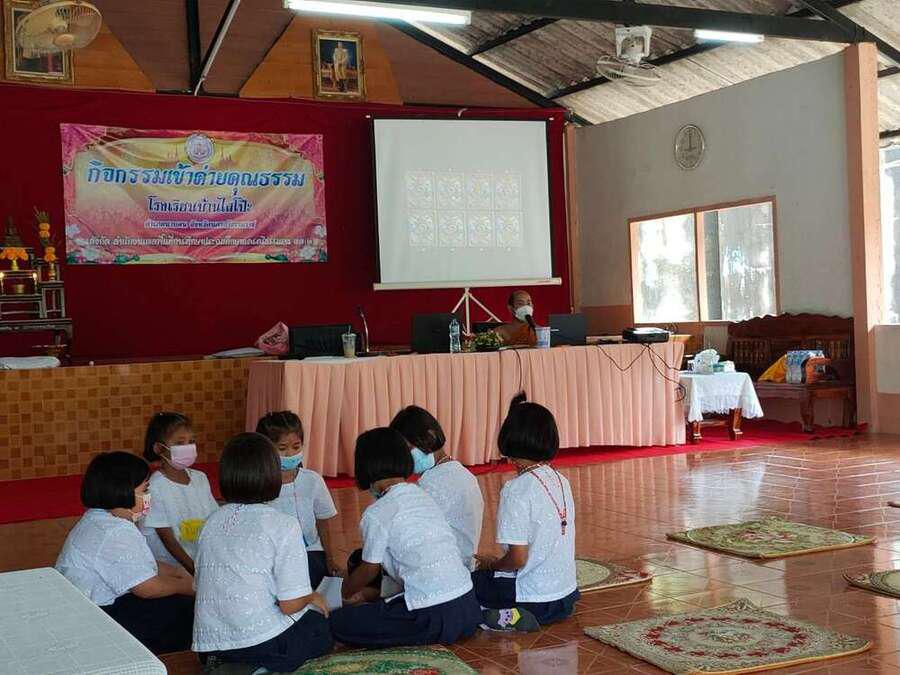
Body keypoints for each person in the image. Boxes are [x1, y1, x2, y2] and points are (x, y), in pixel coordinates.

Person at [329, 428, 482, 648]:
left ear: (364, 467)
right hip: (468, 606)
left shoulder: (377, 512)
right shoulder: (422, 495)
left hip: (431, 616)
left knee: (337, 623)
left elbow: (370, 569)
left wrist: (338, 595)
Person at [193, 432, 333, 672]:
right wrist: (311, 597)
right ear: (272, 474)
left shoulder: (211, 521)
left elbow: (199, 584)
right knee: (319, 627)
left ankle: (231, 664)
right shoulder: (283, 524)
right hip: (260, 642)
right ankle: (259, 666)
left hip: (210, 644)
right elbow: (289, 605)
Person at [55, 451, 195, 654]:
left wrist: (177, 572)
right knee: (185, 609)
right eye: (145, 489)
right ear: (123, 491)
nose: (149, 496)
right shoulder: (115, 531)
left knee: (179, 599)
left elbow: (141, 564)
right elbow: (148, 588)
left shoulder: (99, 518)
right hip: (98, 618)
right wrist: (189, 586)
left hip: (86, 609)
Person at [472, 393, 579, 632]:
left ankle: (504, 616)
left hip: (534, 599)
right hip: (565, 598)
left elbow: (518, 559)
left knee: (469, 584)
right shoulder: (561, 480)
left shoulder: (516, 489)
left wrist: (492, 566)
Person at [390, 405, 483, 570]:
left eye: (409, 449)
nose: (406, 457)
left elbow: (413, 537)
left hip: (445, 569)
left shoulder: (433, 483)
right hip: (461, 563)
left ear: (430, 437)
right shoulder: (458, 471)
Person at [256, 411, 341, 587]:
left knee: (310, 577)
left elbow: (323, 521)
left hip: (310, 551)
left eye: (296, 447)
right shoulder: (258, 483)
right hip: (273, 555)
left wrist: (330, 558)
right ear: (265, 450)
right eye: (282, 448)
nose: (290, 454)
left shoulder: (312, 480)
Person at [142, 412, 219, 574]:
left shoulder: (200, 478)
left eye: (191, 441)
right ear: (159, 448)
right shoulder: (153, 487)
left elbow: (214, 519)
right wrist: (194, 570)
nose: (188, 447)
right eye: (179, 443)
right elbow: (167, 538)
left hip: (203, 561)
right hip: (172, 568)